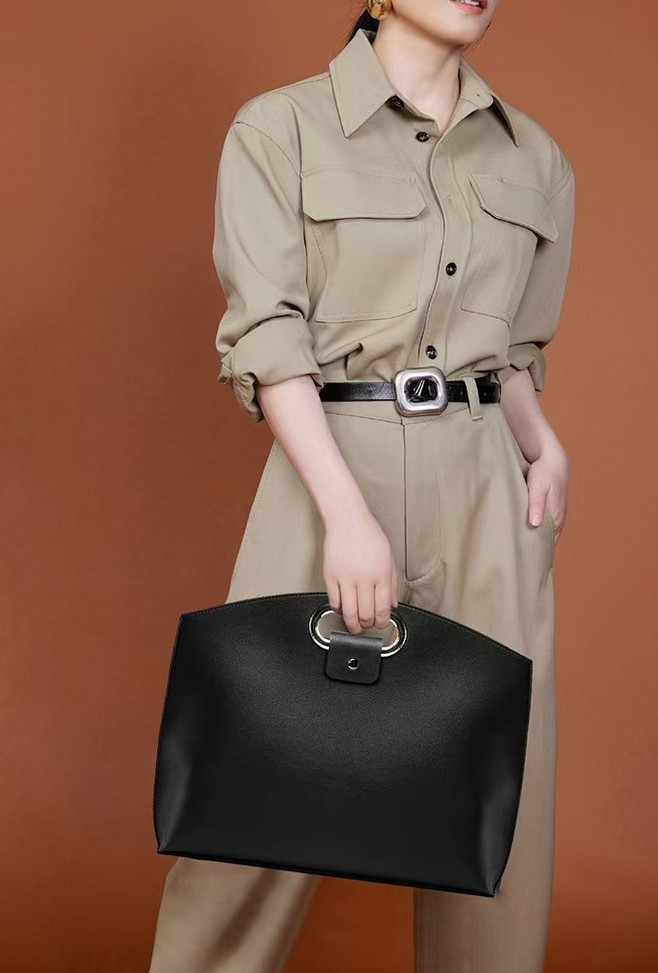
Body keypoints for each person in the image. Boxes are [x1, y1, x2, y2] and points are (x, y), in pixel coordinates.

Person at [148, 1, 576, 970]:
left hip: (486, 483)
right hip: (333, 465)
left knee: (500, 795)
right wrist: (346, 515)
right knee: (260, 771)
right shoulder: (281, 127)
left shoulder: (535, 157)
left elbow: (513, 349)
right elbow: (268, 335)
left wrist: (540, 440)